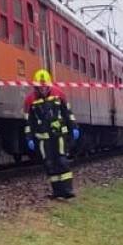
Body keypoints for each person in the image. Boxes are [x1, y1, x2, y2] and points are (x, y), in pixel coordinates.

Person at [24, 68, 76, 200]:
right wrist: (29, 138)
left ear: (49, 85)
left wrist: (74, 128)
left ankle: (68, 190)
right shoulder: (30, 100)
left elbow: (68, 114)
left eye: (45, 87)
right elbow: (28, 123)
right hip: (43, 140)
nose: (42, 89)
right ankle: (57, 191)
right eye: (40, 87)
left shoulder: (59, 95)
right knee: (49, 164)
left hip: (59, 136)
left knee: (62, 161)